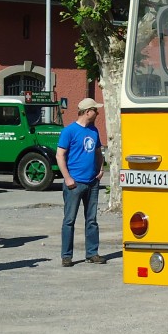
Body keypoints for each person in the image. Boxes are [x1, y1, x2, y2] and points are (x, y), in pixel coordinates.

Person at [56, 97, 107, 267]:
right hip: (75, 183)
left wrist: (100, 169)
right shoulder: (69, 131)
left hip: (92, 183)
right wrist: (67, 177)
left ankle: (92, 253)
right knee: (69, 220)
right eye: (95, 110)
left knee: (91, 220)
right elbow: (60, 155)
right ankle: (66, 255)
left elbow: (98, 152)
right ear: (87, 112)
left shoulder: (94, 131)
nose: (97, 113)